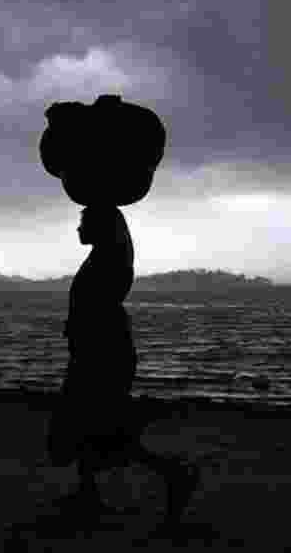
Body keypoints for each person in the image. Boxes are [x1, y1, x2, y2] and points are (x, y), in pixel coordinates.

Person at [46, 204, 201, 525]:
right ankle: (89, 493)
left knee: (100, 427)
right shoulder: (105, 257)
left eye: (84, 222)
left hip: (102, 357)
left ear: (100, 226)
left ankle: (174, 473)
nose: (78, 228)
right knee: (88, 425)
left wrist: (81, 337)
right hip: (98, 354)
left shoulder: (108, 260)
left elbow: (96, 310)